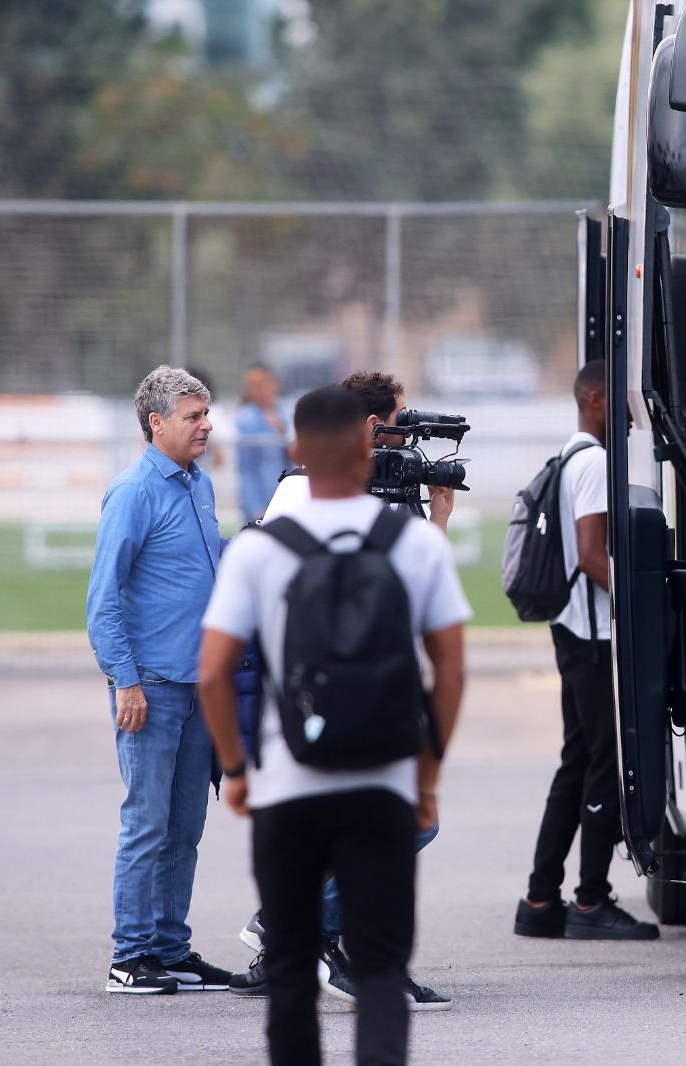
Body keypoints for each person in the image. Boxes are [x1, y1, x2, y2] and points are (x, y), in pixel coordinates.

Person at [197, 385, 470, 1063]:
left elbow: (212, 672)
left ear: (294, 451)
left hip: (290, 780)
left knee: (291, 978)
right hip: (382, 776)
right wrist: (427, 776)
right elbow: (450, 670)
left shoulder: (260, 548)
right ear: (365, 446)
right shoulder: (412, 544)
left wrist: (235, 769)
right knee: (378, 968)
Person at [87, 364, 235, 995]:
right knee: (147, 824)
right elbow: (104, 599)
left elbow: (206, 566)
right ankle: (131, 954)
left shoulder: (197, 486)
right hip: (151, 686)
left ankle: (171, 947)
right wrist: (125, 680)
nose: (206, 426)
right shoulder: (134, 492)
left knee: (186, 828)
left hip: (201, 686)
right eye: (193, 417)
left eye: (206, 415)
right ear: (156, 424)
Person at [514, 360, 660, 941]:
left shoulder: (568, 457)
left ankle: (541, 899)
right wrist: (644, 607)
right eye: (621, 400)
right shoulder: (595, 461)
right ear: (594, 399)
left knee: (576, 760)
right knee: (603, 763)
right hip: (595, 634)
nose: (630, 412)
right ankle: (591, 901)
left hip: (570, 629)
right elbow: (594, 554)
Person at [260, 371, 455, 535]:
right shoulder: (298, 488)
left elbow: (423, 568)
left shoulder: (398, 487)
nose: (407, 432)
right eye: (402, 419)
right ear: (373, 425)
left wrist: (439, 516)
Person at [235, 364, 291, 522]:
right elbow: (246, 470)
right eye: (250, 386)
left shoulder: (285, 414)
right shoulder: (246, 420)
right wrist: (255, 509)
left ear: (273, 383)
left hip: (285, 497)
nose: (255, 390)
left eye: (259, 384)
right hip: (260, 503)